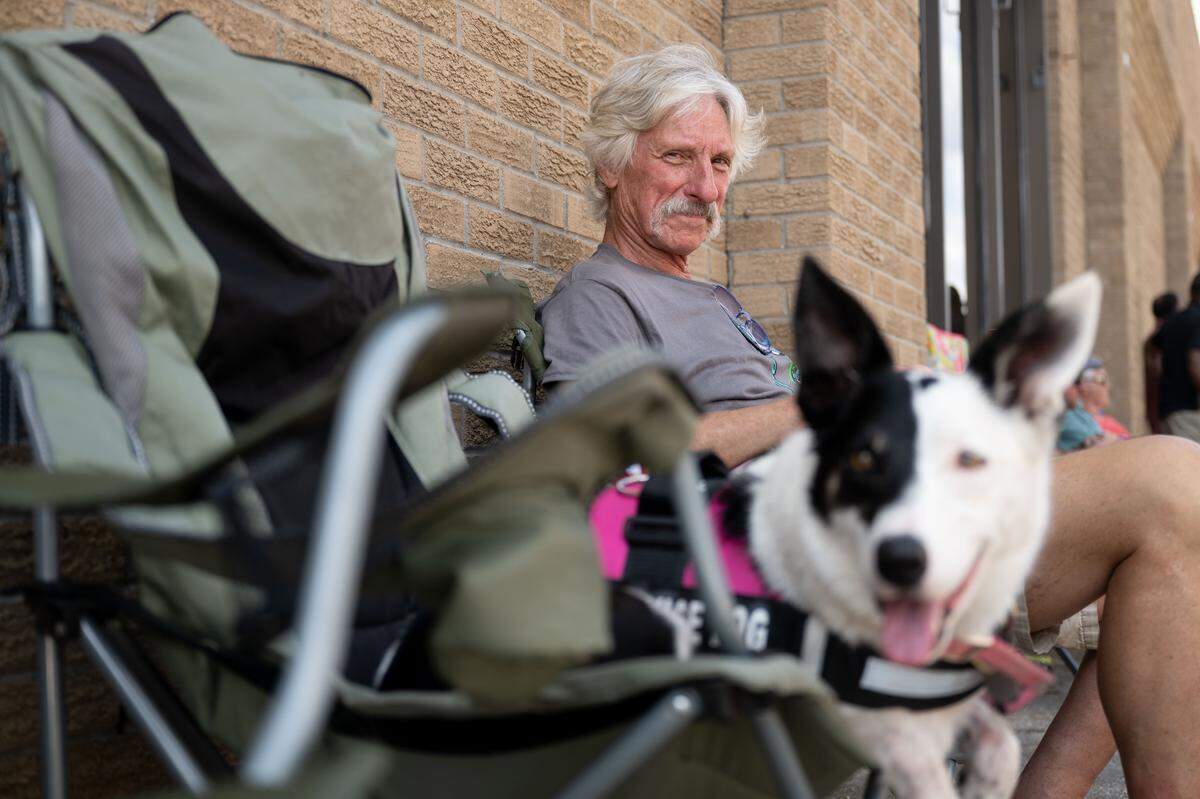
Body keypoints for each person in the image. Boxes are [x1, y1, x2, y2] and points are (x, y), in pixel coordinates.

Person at [540, 44, 1200, 797]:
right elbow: (601, 464)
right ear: (610, 163)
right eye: (679, 157)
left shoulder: (708, 295)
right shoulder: (598, 296)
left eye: (720, 163)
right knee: (1175, 482)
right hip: (797, 563)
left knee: (1170, 575)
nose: (705, 187)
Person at [1148, 274, 1200, 443]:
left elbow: (1149, 352)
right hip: (1191, 414)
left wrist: (1152, 413)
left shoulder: (1173, 322)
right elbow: (1195, 361)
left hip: (1171, 414)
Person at [1143, 291, 1177, 433]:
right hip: (1162, 404)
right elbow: (1156, 371)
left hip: (1156, 405)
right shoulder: (1160, 338)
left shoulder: (1152, 338)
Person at [1076, 358, 1130, 440]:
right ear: (1083, 385)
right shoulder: (1073, 423)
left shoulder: (1108, 422)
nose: (1108, 386)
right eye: (1102, 379)